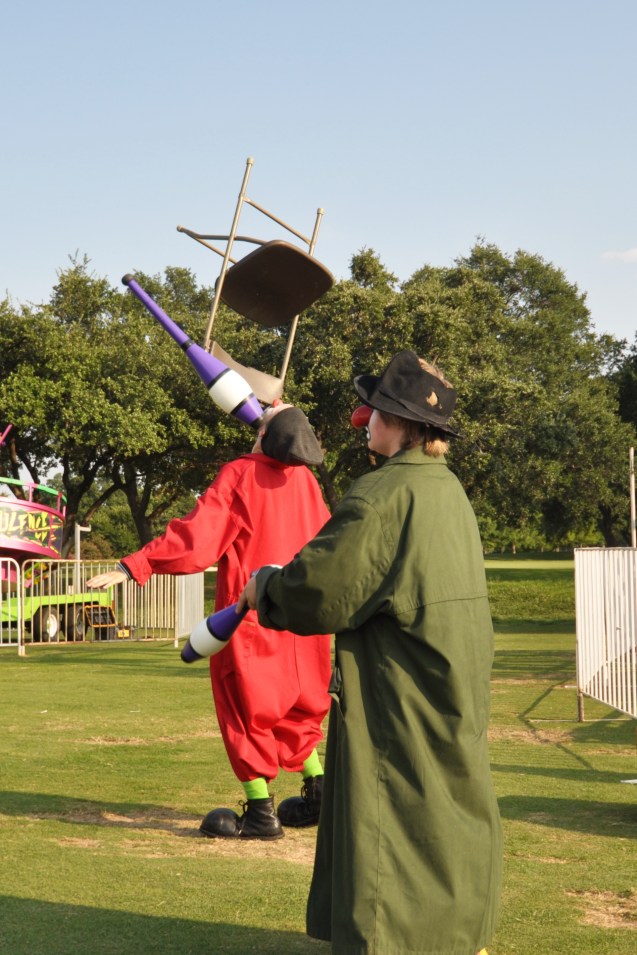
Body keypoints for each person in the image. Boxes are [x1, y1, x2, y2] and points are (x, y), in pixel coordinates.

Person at [237, 352, 502, 954]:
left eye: (375, 411)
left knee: (397, 819)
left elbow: (321, 590)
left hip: (400, 693)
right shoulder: (446, 490)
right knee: (446, 810)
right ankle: (459, 937)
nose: (364, 422)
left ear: (400, 424)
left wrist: (266, 588)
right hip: (447, 686)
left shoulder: (384, 492)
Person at [88, 402, 332, 840]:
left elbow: (197, 539)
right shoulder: (309, 483)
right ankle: (318, 793)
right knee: (298, 706)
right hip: (303, 620)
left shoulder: (240, 474)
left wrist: (135, 564)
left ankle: (260, 813)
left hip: (252, 618)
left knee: (245, 710)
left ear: (262, 436)